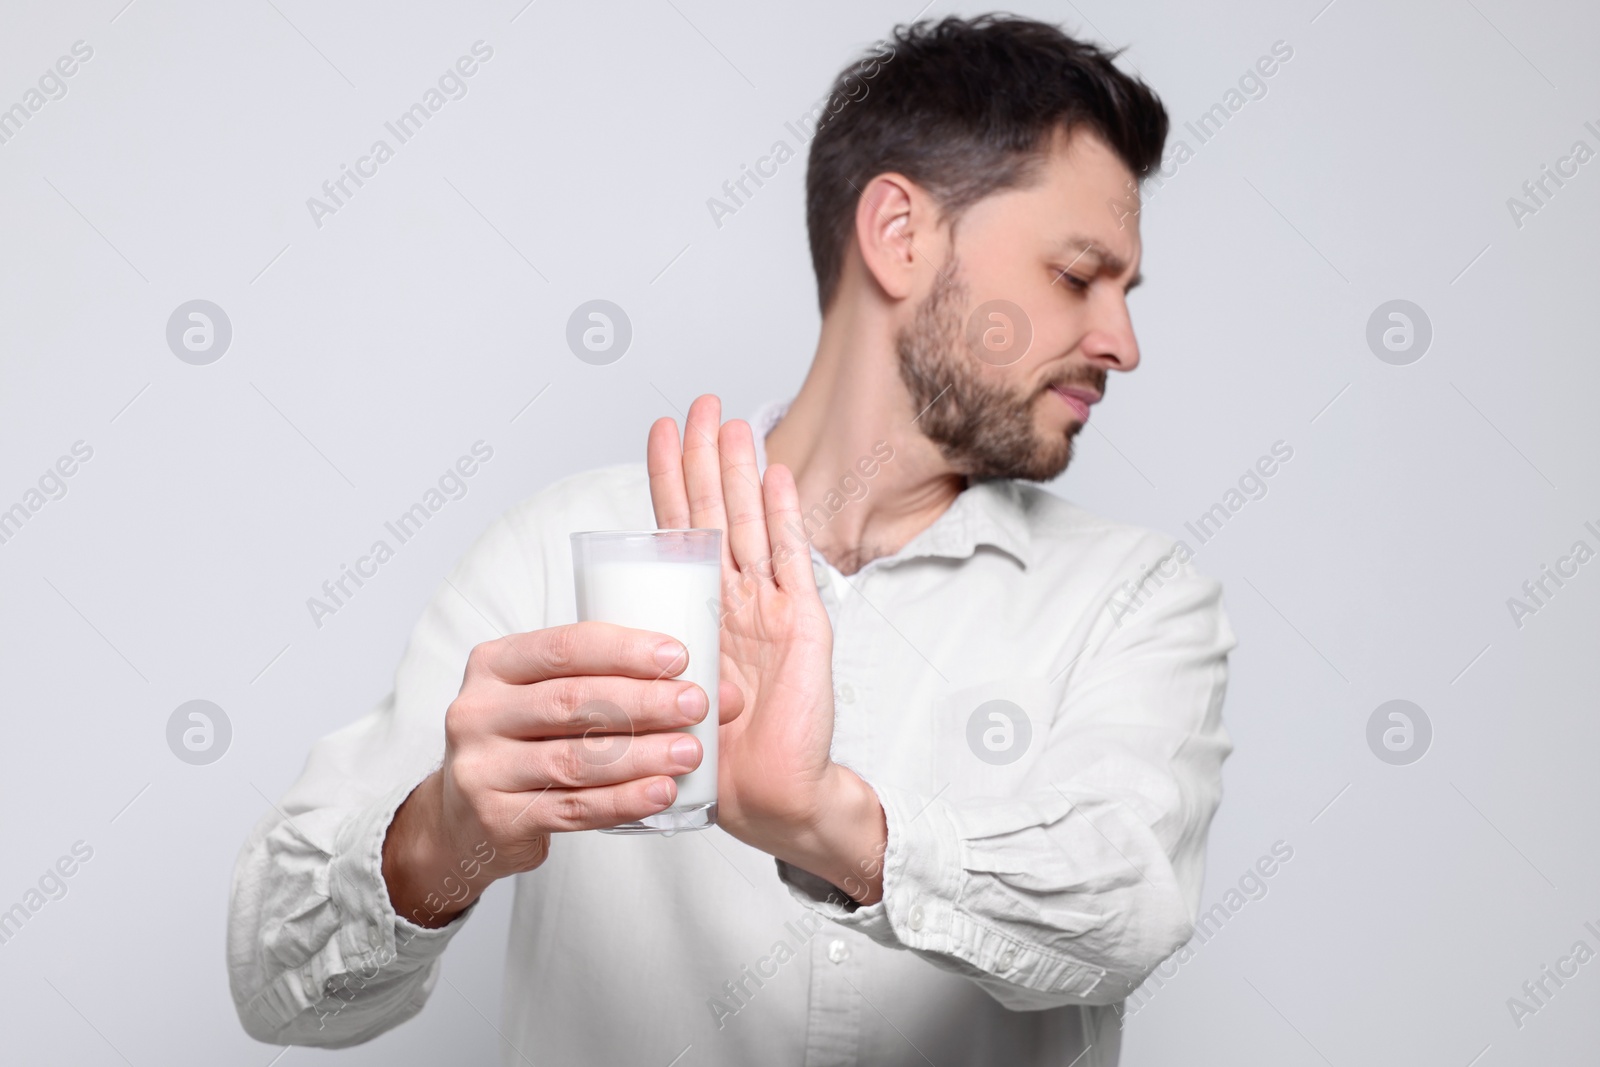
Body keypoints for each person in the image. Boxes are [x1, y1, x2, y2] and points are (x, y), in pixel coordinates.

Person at [229, 14, 1236, 1066]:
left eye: (1124, 292)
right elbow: (277, 988)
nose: (1120, 341)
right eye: (1078, 276)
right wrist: (441, 835)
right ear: (899, 235)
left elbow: (1129, 908)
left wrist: (821, 822)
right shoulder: (563, 550)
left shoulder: (1136, 598)